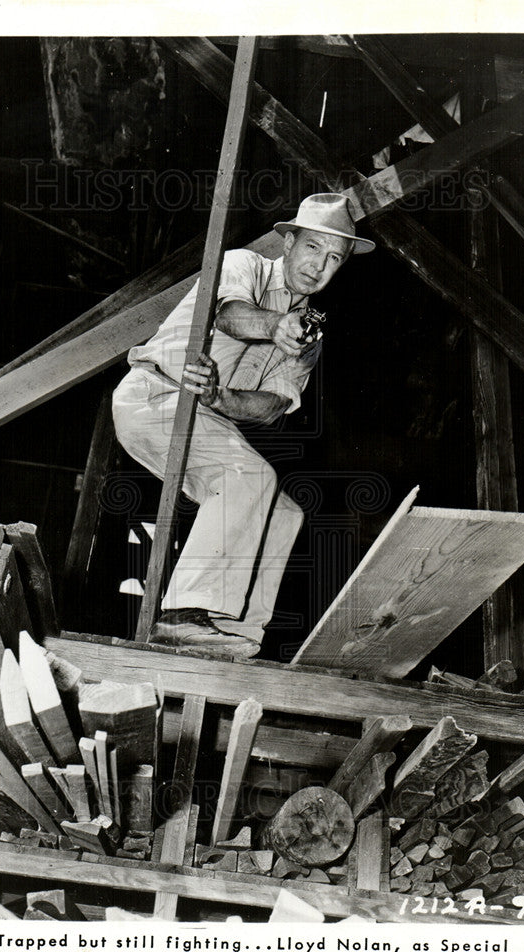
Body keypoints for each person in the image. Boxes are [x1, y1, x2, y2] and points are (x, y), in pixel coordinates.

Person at [112, 193, 375, 657]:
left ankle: (231, 630)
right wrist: (275, 326)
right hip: (155, 396)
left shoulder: (309, 335)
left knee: (283, 509)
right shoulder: (244, 266)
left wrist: (220, 396)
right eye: (313, 248)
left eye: (335, 258)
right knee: (250, 476)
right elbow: (229, 314)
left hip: (204, 416)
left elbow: (272, 407)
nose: (319, 266)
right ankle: (180, 614)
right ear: (289, 242)